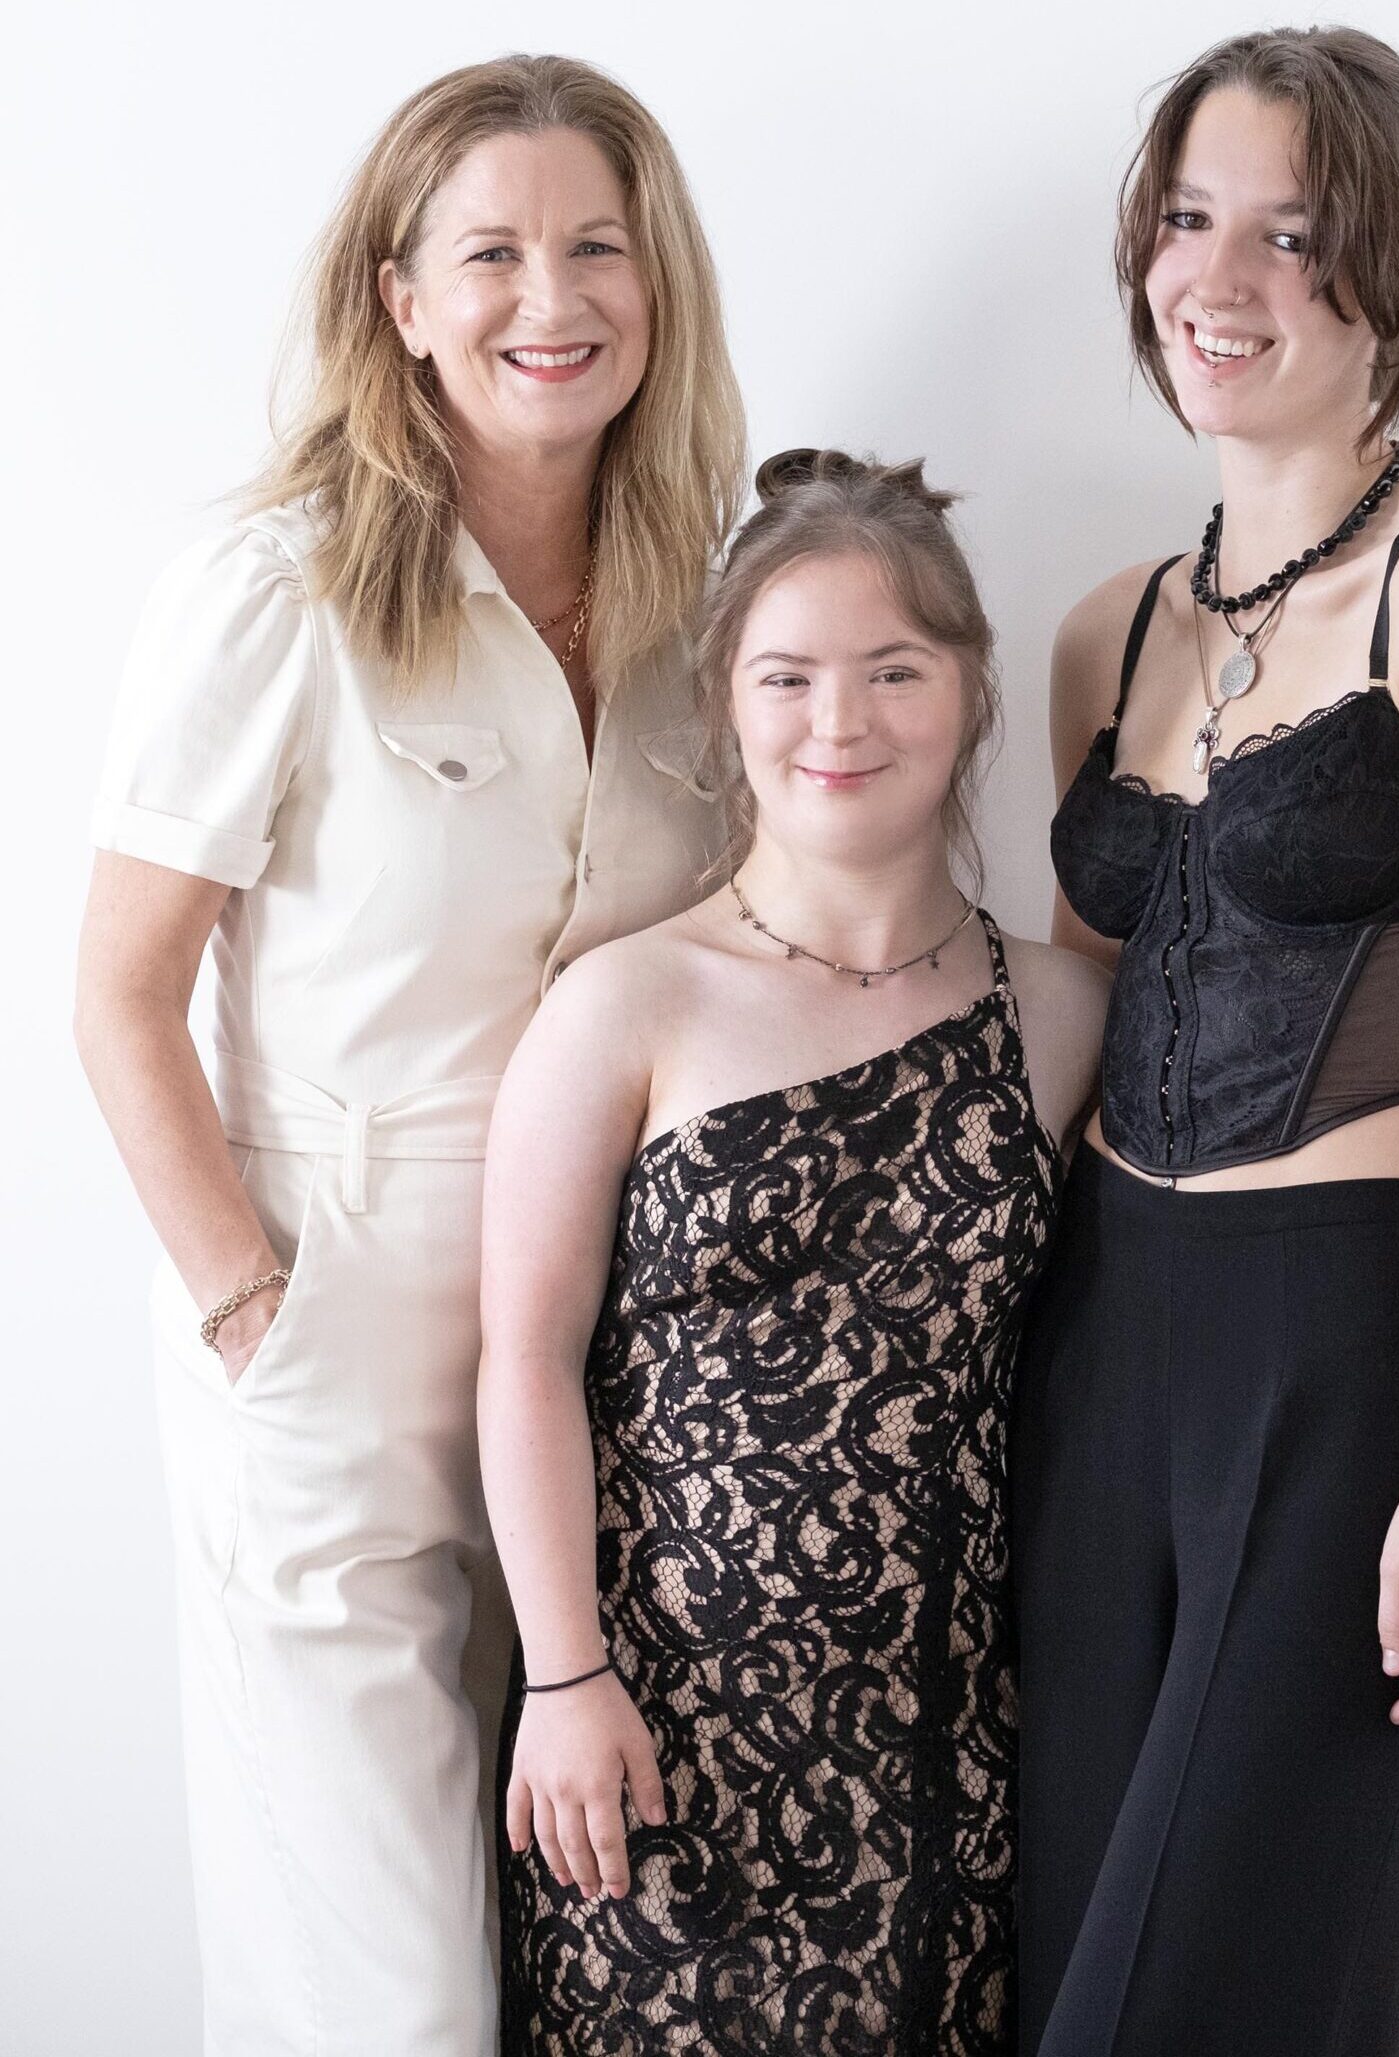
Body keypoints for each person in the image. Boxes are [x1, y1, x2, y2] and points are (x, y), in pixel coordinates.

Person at [74, 55, 744, 2056]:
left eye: (596, 247)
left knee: (582, 1963)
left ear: (657, 284)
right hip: (335, 1318)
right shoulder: (276, 590)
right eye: (492, 254)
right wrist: (249, 1313)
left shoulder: (694, 609)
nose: (552, 297)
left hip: (616, 1354)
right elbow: (119, 994)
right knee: (385, 1993)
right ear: (403, 299)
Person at [1012, 28, 1399, 2057]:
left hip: (1339, 1358)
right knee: (1060, 1966)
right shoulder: (1104, 631)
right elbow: (1077, 996)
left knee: (1214, 1999)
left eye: (1288, 231)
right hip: (1098, 1345)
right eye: (1187, 218)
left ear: (1389, 276)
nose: (1216, 276)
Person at [478, 451, 1108, 2055]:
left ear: (967, 691)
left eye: (895, 670)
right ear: (726, 699)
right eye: (789, 675)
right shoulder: (627, 1001)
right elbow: (525, 1356)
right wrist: (563, 1676)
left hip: (944, 1763)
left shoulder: (1059, 1016)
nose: (842, 721)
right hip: (645, 1751)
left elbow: (1230, 1158)